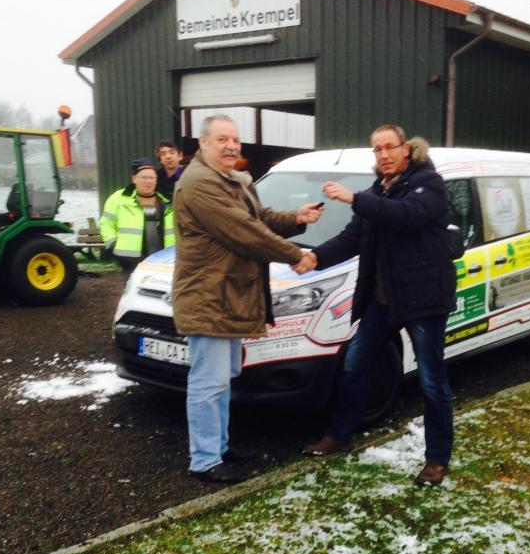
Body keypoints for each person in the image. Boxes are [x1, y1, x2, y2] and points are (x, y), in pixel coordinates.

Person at [294, 125, 456, 486]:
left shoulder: (428, 184)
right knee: (354, 365)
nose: (382, 155)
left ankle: (437, 458)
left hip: (423, 299)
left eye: (389, 147)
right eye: (376, 149)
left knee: (432, 381)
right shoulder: (375, 192)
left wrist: (354, 199)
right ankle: (340, 433)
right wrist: (314, 258)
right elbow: (353, 237)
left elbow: (406, 215)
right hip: (383, 299)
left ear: (407, 149)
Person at [172, 114, 323, 483]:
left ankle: (220, 447)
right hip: (208, 296)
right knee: (209, 381)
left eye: (235, 139)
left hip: (231, 295)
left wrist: (295, 218)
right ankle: (205, 460)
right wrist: (296, 255)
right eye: (222, 139)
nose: (231, 146)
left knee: (225, 376)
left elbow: (261, 217)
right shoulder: (197, 183)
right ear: (203, 144)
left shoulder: (236, 179)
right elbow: (243, 231)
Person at [99, 157, 175, 276]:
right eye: (144, 177)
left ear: (156, 180)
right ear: (134, 179)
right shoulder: (118, 199)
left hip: (163, 260)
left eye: (152, 178)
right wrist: (112, 244)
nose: (148, 181)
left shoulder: (166, 201)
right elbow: (106, 224)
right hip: (130, 260)